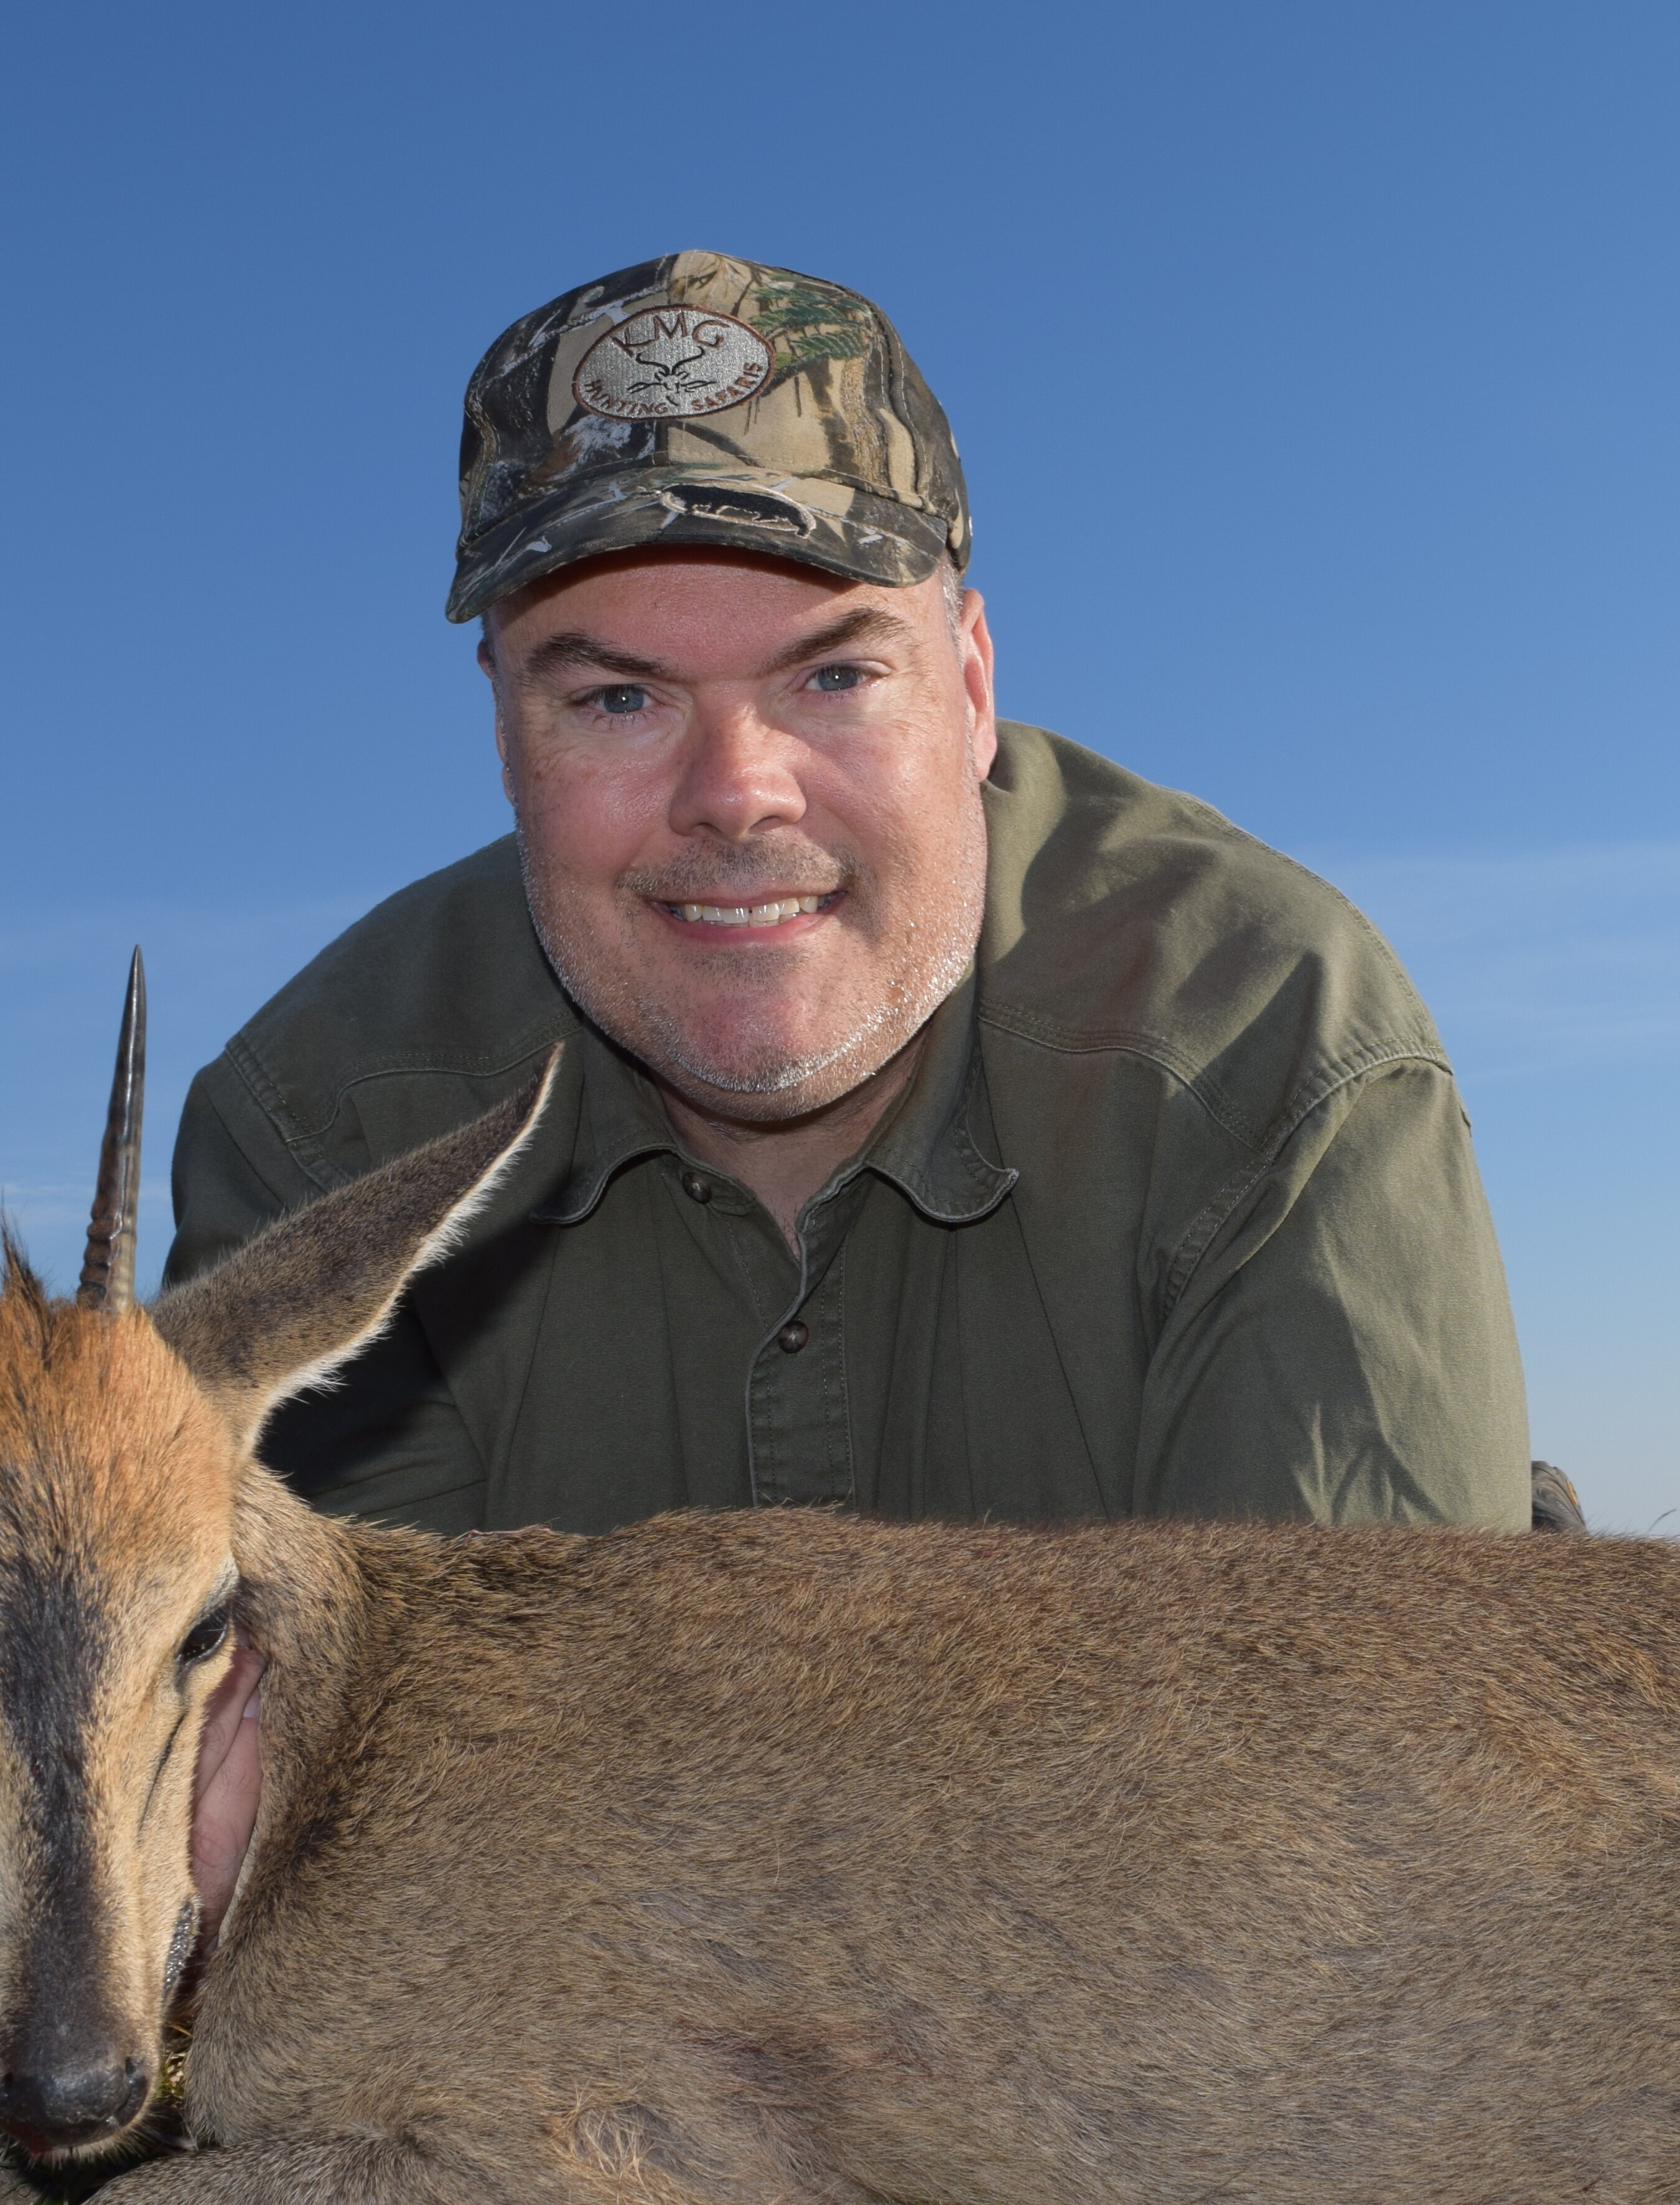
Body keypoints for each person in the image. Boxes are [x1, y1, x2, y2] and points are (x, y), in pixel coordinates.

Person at [160, 249, 1559, 1537]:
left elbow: (1358, 1772)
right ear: (507, 733)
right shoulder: (321, 1138)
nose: (738, 790)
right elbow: (360, 1782)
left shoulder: (1266, 1036)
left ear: (970, 684)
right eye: (618, 697)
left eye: (833, 675)